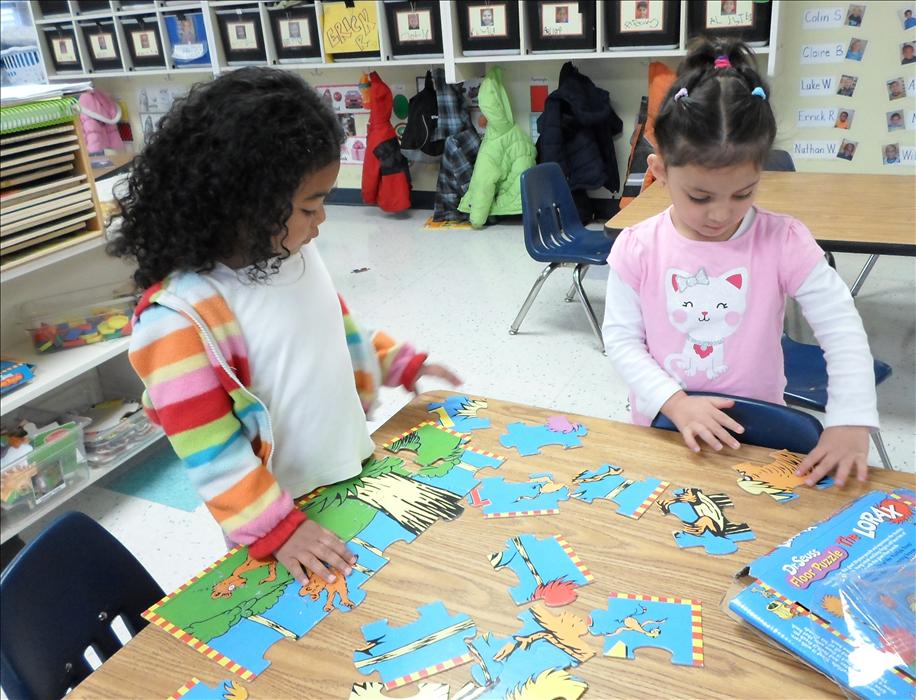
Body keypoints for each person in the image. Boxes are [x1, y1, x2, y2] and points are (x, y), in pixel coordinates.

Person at [109, 68, 460, 587]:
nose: (323, 220)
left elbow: (332, 333)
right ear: (243, 204)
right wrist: (279, 531)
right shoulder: (180, 318)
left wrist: (396, 361)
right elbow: (210, 449)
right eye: (310, 205)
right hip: (278, 523)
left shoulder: (294, 253)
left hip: (345, 473)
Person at [602, 39, 879, 488]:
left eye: (743, 193)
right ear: (661, 171)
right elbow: (620, 340)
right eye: (700, 196)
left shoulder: (783, 240)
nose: (721, 214)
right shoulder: (638, 246)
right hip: (667, 426)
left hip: (760, 433)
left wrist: (851, 417)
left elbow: (841, 328)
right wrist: (673, 400)